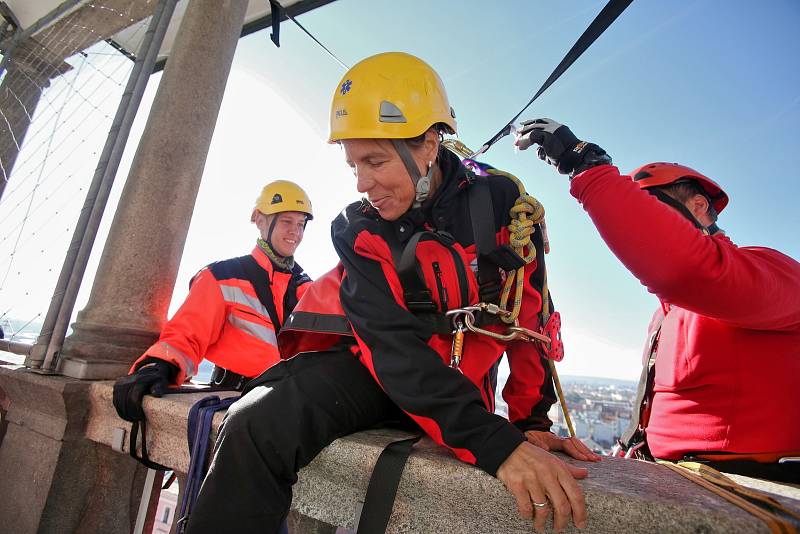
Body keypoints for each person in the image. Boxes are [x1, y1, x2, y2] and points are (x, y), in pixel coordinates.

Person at [185, 53, 599, 534]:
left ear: (427, 144)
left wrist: (531, 423)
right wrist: (495, 443)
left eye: (374, 160)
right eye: (353, 164)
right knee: (254, 422)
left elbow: (528, 313)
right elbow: (391, 347)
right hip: (377, 373)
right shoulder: (358, 229)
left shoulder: (503, 203)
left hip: (458, 388)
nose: (362, 183)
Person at [515, 118, 800, 482]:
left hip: (744, 483)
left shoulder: (773, 272)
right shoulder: (669, 312)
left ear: (698, 206)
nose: (640, 220)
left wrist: (587, 167)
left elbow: (686, 268)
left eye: (651, 207)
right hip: (675, 474)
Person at [113, 180, 313, 420]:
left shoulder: (307, 289)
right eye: (286, 222)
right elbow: (186, 334)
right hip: (236, 397)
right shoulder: (222, 277)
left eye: (301, 224)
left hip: (291, 400)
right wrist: (159, 366)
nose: (296, 232)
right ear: (260, 221)